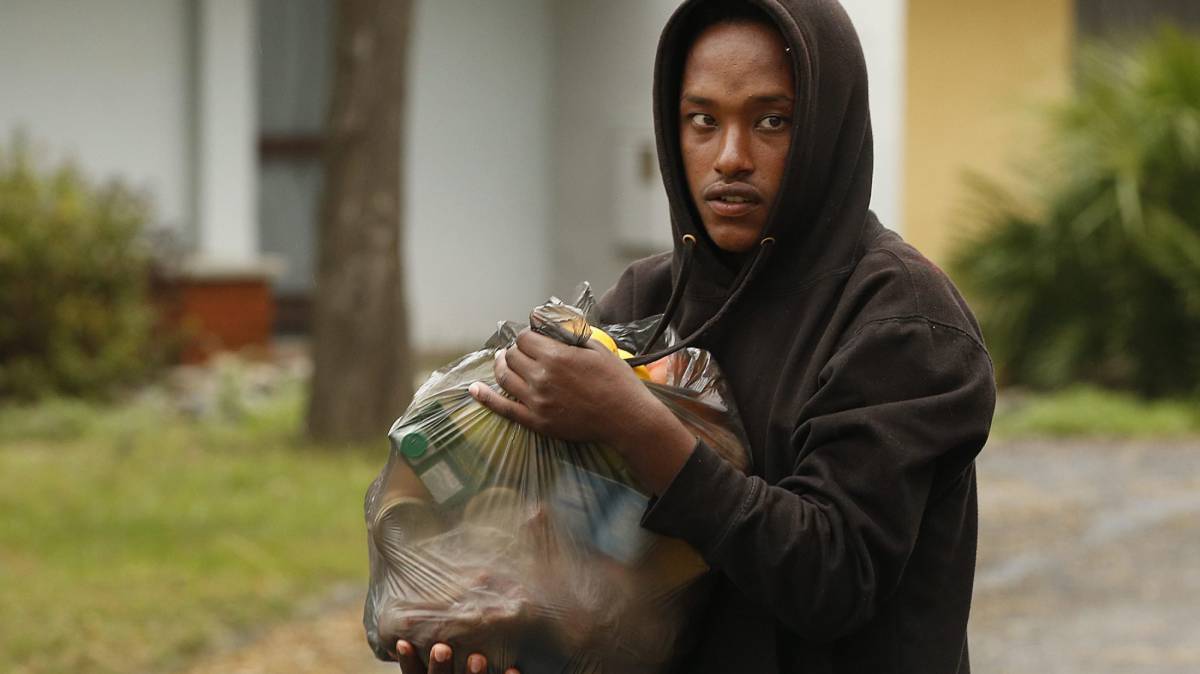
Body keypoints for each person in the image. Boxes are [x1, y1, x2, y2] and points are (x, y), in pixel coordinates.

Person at [399, 0, 996, 672]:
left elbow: (833, 578)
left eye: (773, 121)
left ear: (829, 128)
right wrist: (495, 617)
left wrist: (634, 421)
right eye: (703, 121)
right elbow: (585, 554)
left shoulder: (903, 324)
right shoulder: (648, 301)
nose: (731, 158)